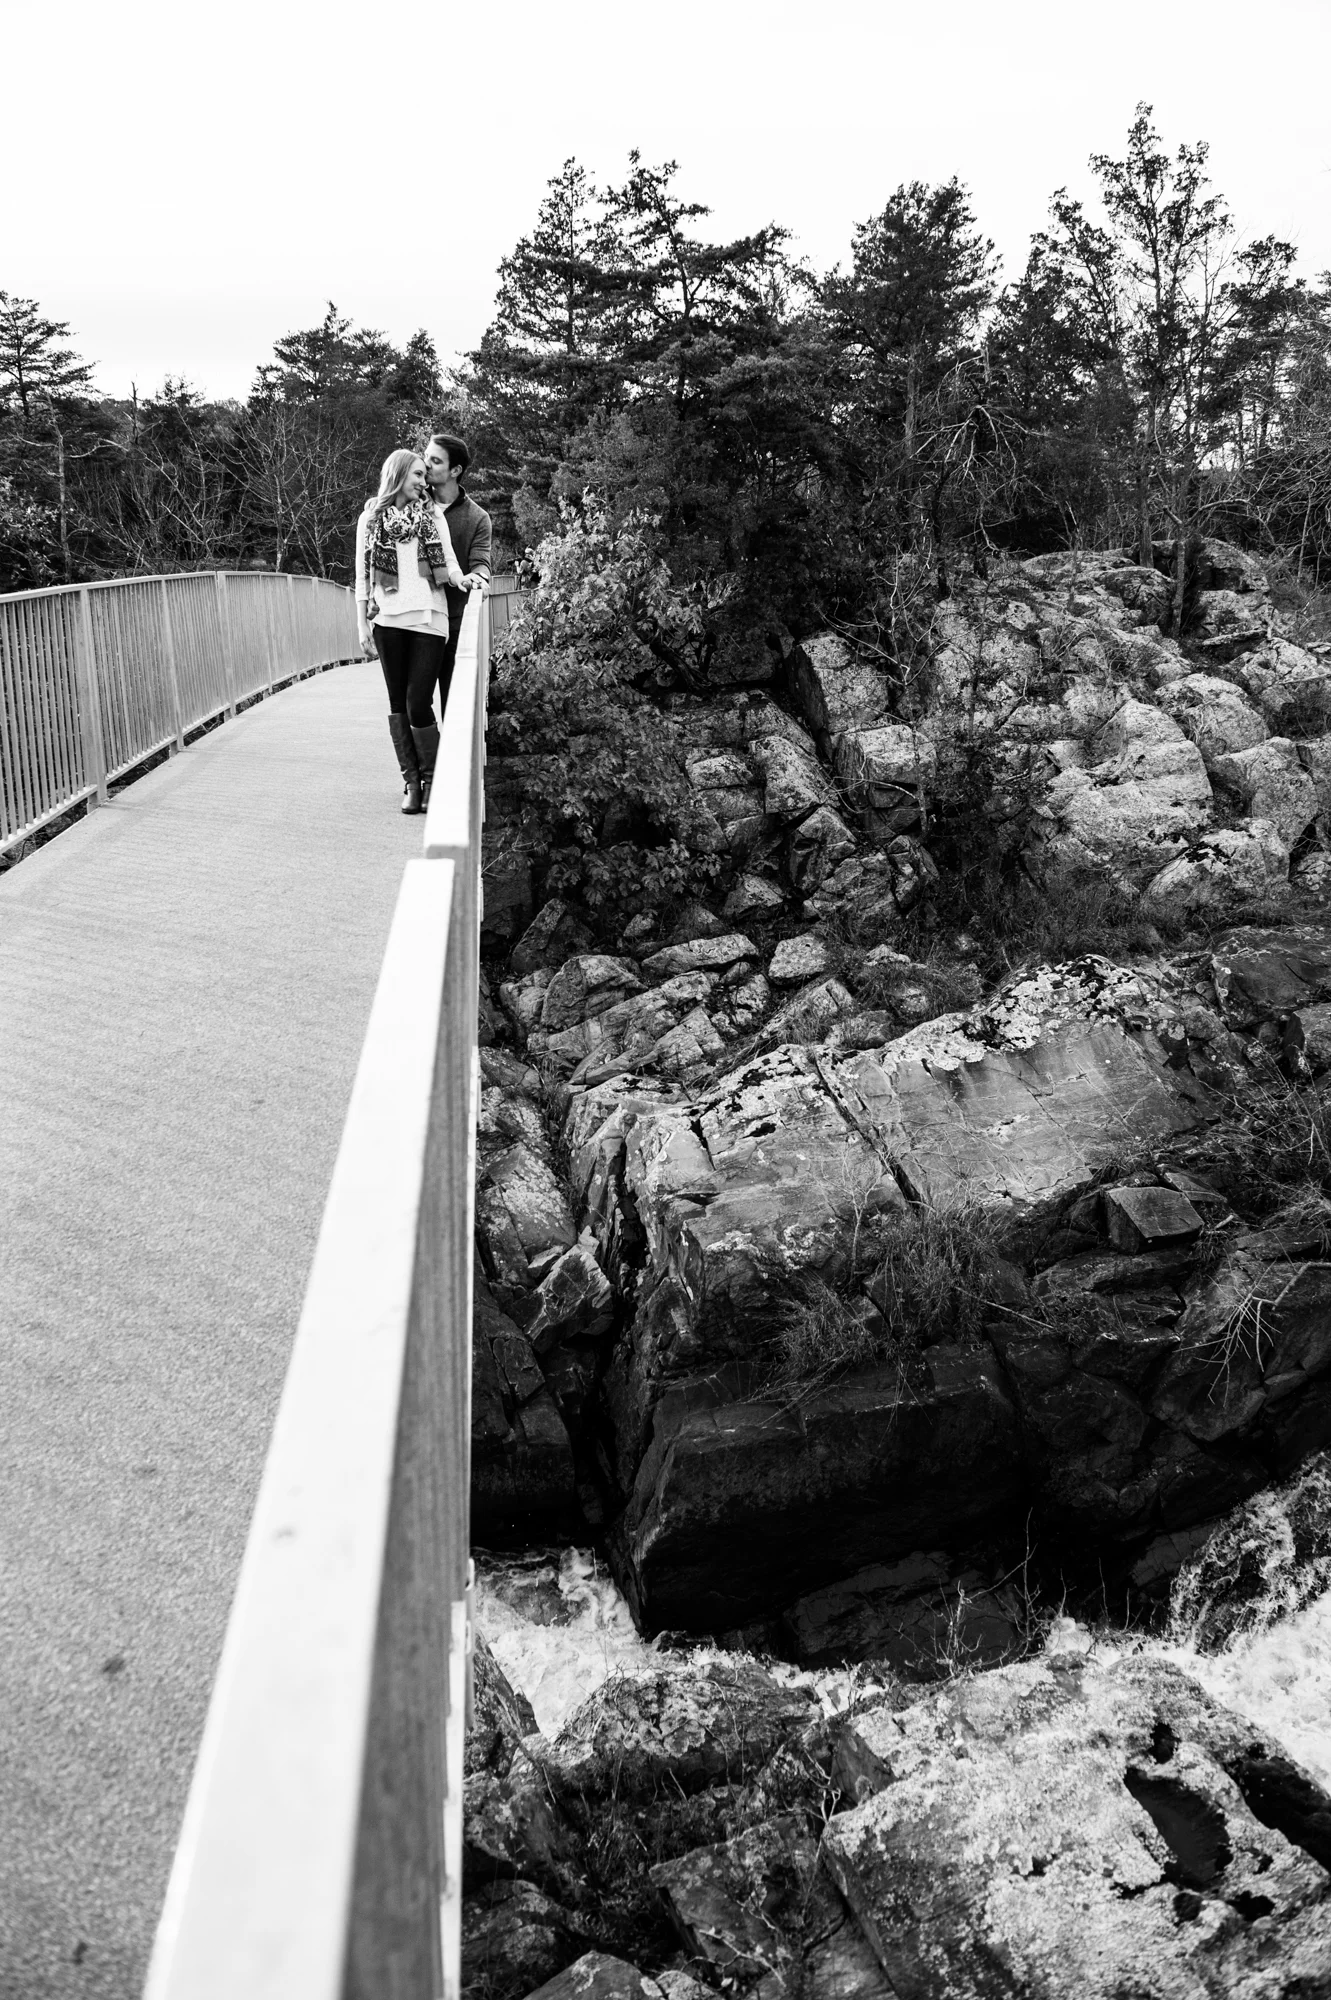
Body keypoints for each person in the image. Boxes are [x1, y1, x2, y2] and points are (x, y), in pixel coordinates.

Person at [354, 449, 478, 813]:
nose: (424, 483)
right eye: (418, 475)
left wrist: (461, 579)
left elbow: (449, 560)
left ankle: (433, 780)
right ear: (398, 474)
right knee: (397, 704)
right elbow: (361, 576)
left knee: (418, 702)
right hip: (387, 620)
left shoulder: (432, 514)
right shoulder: (371, 519)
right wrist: (361, 624)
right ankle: (411, 782)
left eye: (425, 475)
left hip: (430, 619)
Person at [422, 433, 493, 706]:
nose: (426, 464)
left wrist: (480, 578)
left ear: (455, 470)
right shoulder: (412, 504)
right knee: (414, 705)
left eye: (435, 461)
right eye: (426, 456)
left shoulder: (478, 518)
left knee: (454, 705)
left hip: (455, 622)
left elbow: (480, 563)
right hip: (418, 619)